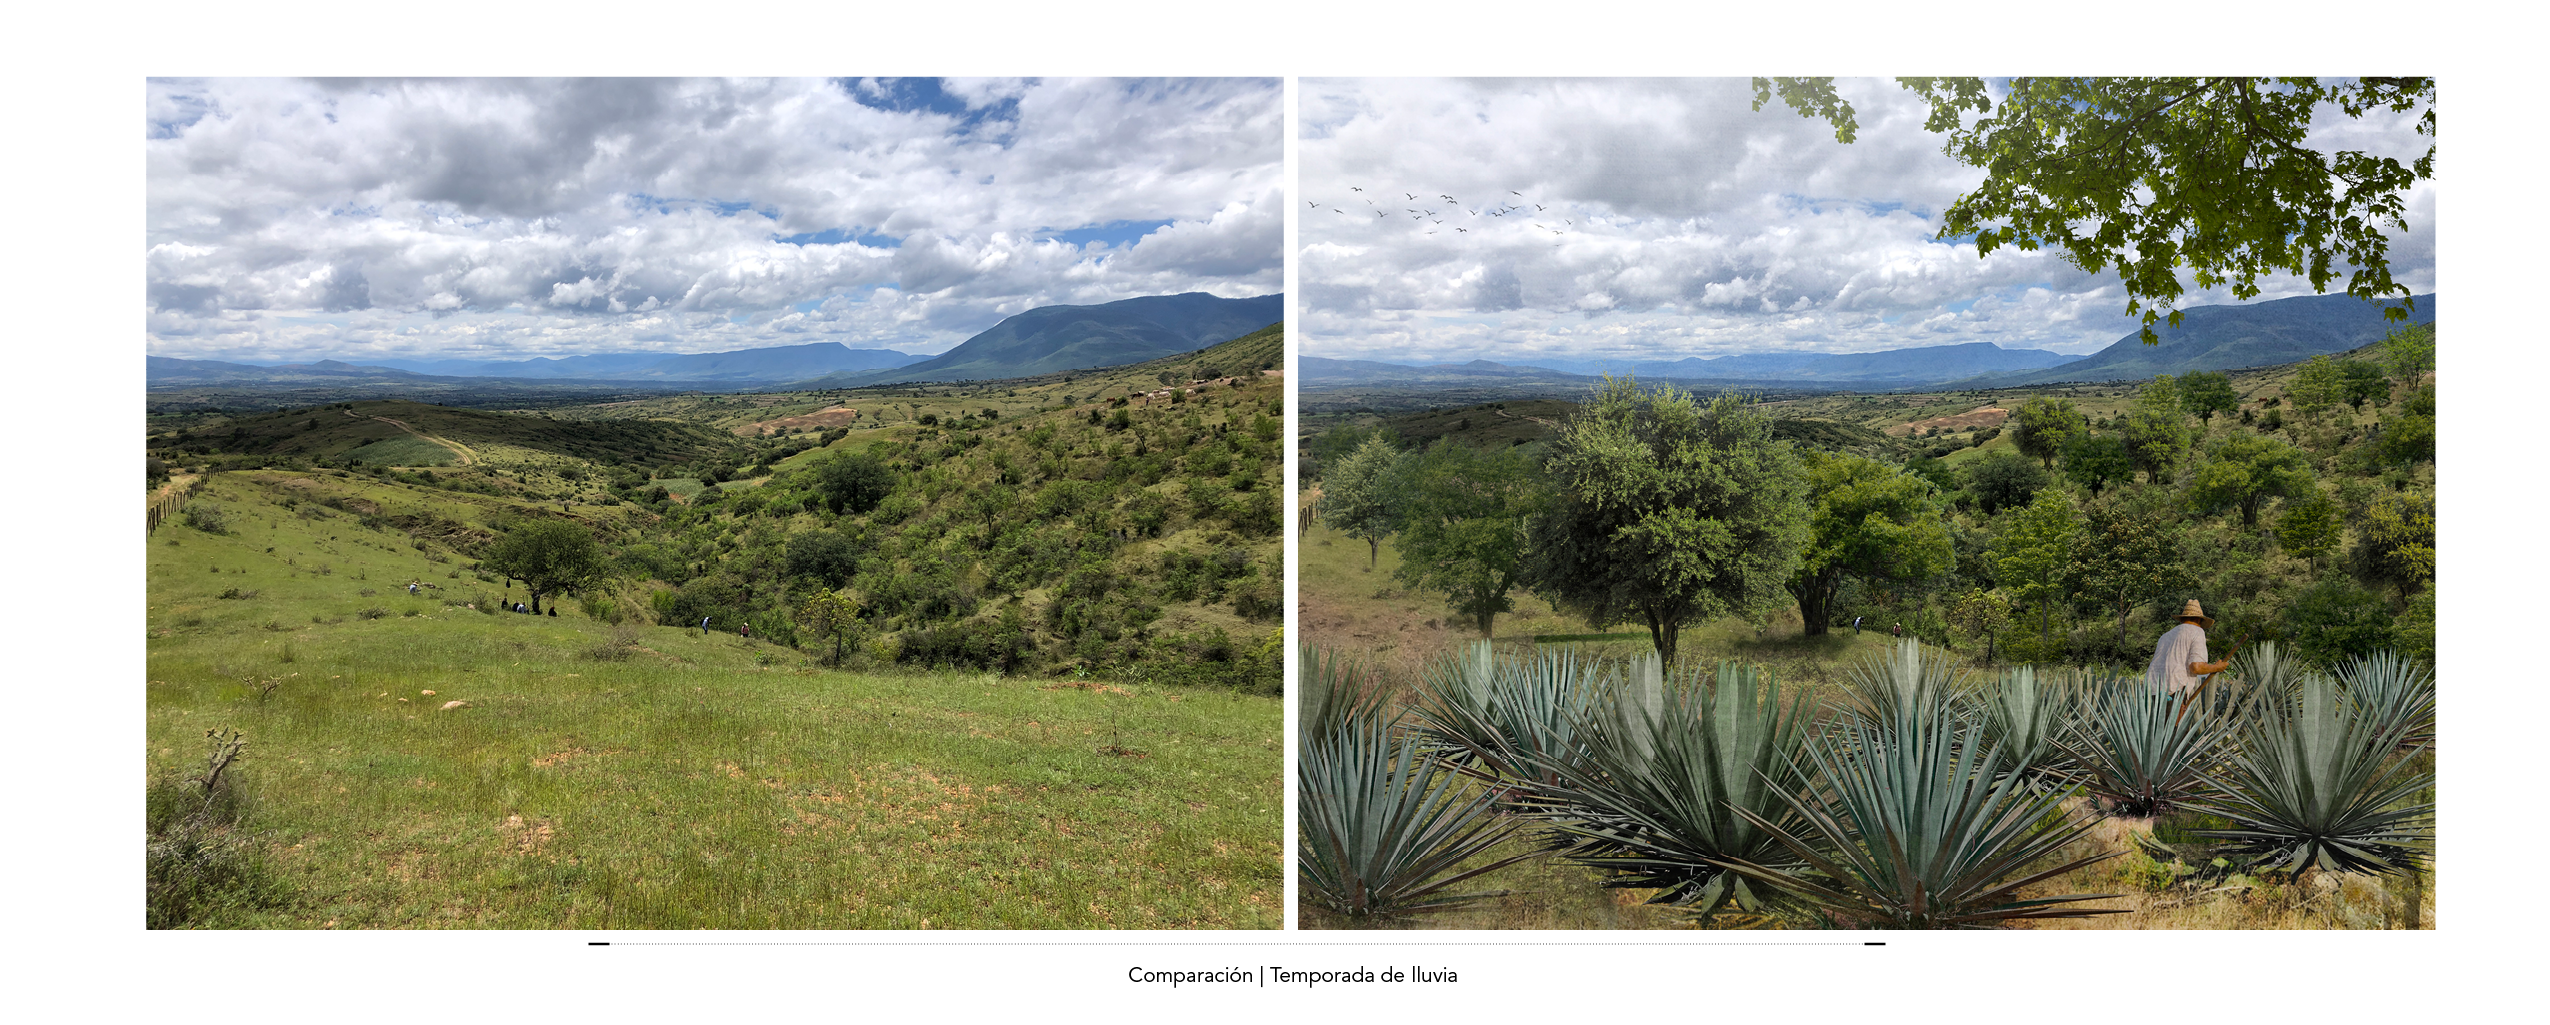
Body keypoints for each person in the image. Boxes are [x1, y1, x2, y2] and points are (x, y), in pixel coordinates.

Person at [2147, 599, 2232, 694]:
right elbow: (2196, 667)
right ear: (2198, 619)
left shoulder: (2165, 635)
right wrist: (2216, 667)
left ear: (2182, 619)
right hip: (2172, 692)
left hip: (2149, 692)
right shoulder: (2196, 631)